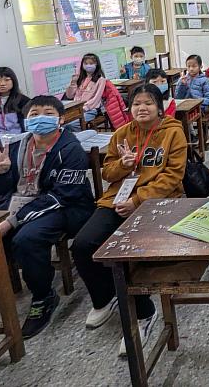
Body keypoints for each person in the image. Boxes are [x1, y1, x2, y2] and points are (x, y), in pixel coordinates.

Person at [0, 96, 94, 338]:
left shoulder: (70, 149)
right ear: (24, 120)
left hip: (64, 207)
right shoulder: (16, 145)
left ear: (60, 119)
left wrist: (11, 221)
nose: (39, 118)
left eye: (47, 113)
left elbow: (62, 196)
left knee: (26, 239)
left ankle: (43, 296)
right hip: (17, 204)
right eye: (33, 114)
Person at [72, 85, 187, 356]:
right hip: (117, 200)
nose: (142, 108)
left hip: (159, 202)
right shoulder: (122, 134)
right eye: (136, 104)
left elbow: (173, 176)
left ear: (159, 107)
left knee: (128, 252)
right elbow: (107, 174)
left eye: (148, 103)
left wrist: (138, 200)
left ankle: (143, 313)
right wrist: (123, 164)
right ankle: (105, 299)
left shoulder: (173, 133)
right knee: (83, 245)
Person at [64, 53, 106, 129]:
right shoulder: (80, 78)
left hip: (90, 109)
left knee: (72, 125)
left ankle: (79, 139)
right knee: (63, 123)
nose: (88, 65)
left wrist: (84, 108)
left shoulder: (101, 79)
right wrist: (73, 83)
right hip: (76, 108)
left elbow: (96, 99)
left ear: (96, 65)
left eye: (91, 63)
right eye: (86, 63)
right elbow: (69, 96)